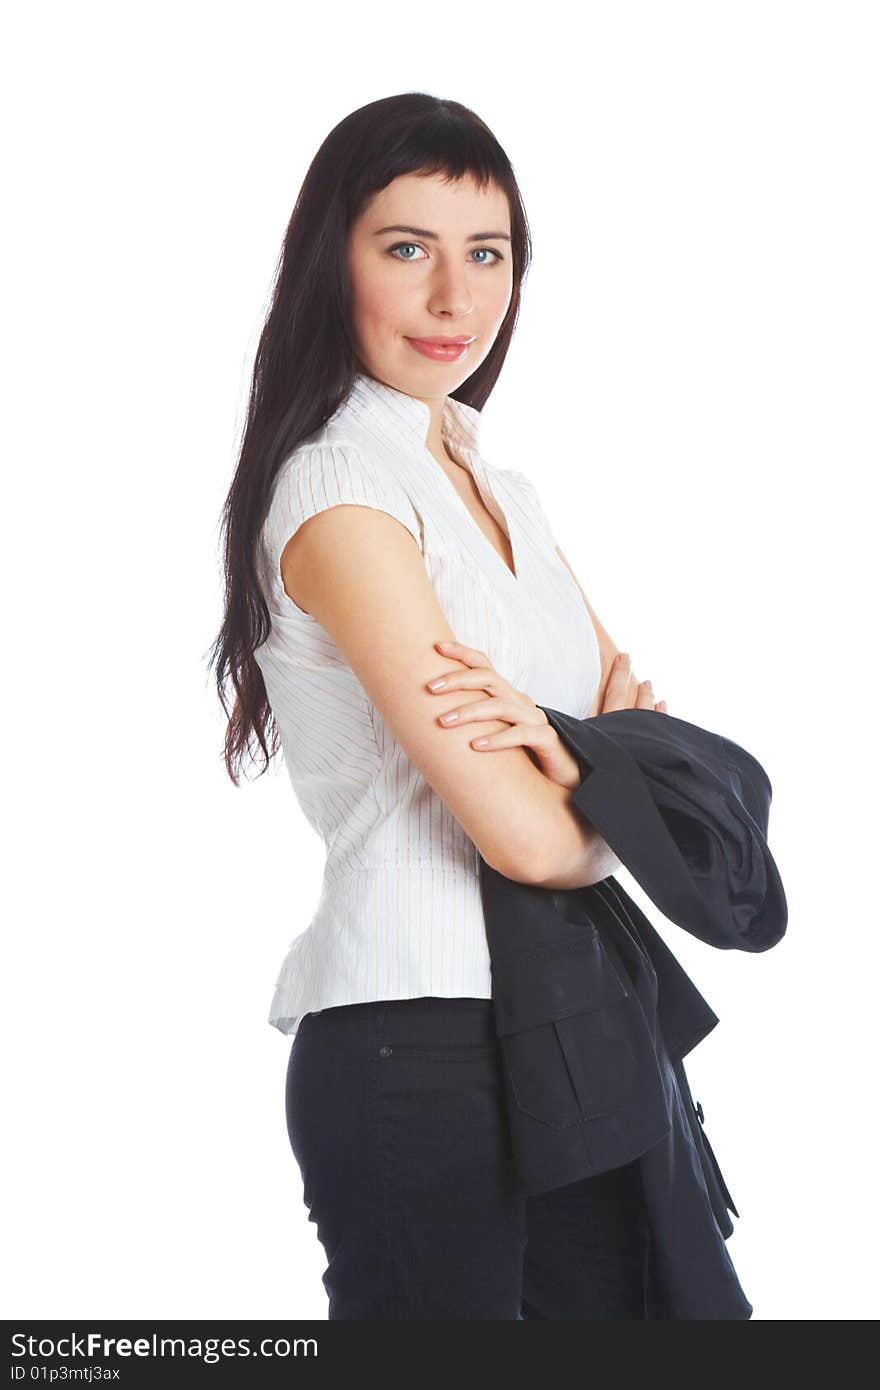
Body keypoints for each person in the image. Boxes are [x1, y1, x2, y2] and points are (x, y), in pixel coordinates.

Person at [210, 92, 667, 1320]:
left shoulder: (497, 481)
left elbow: (647, 743)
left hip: (566, 1020)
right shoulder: (339, 490)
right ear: (331, 261)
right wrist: (596, 775)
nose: (454, 301)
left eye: (488, 255)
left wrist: (577, 760)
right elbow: (532, 829)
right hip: (415, 1039)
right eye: (406, 249)